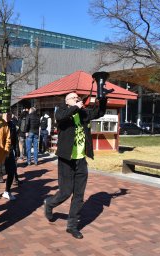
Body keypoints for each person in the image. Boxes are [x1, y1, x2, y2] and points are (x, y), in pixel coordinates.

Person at [43, 92, 107, 239]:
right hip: (66, 159)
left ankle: (72, 226)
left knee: (79, 195)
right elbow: (60, 117)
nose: (77, 99)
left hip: (80, 160)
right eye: (74, 98)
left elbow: (99, 112)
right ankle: (50, 204)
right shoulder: (61, 111)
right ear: (67, 101)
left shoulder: (83, 113)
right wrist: (75, 107)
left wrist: (102, 99)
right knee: (65, 192)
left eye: (78, 98)